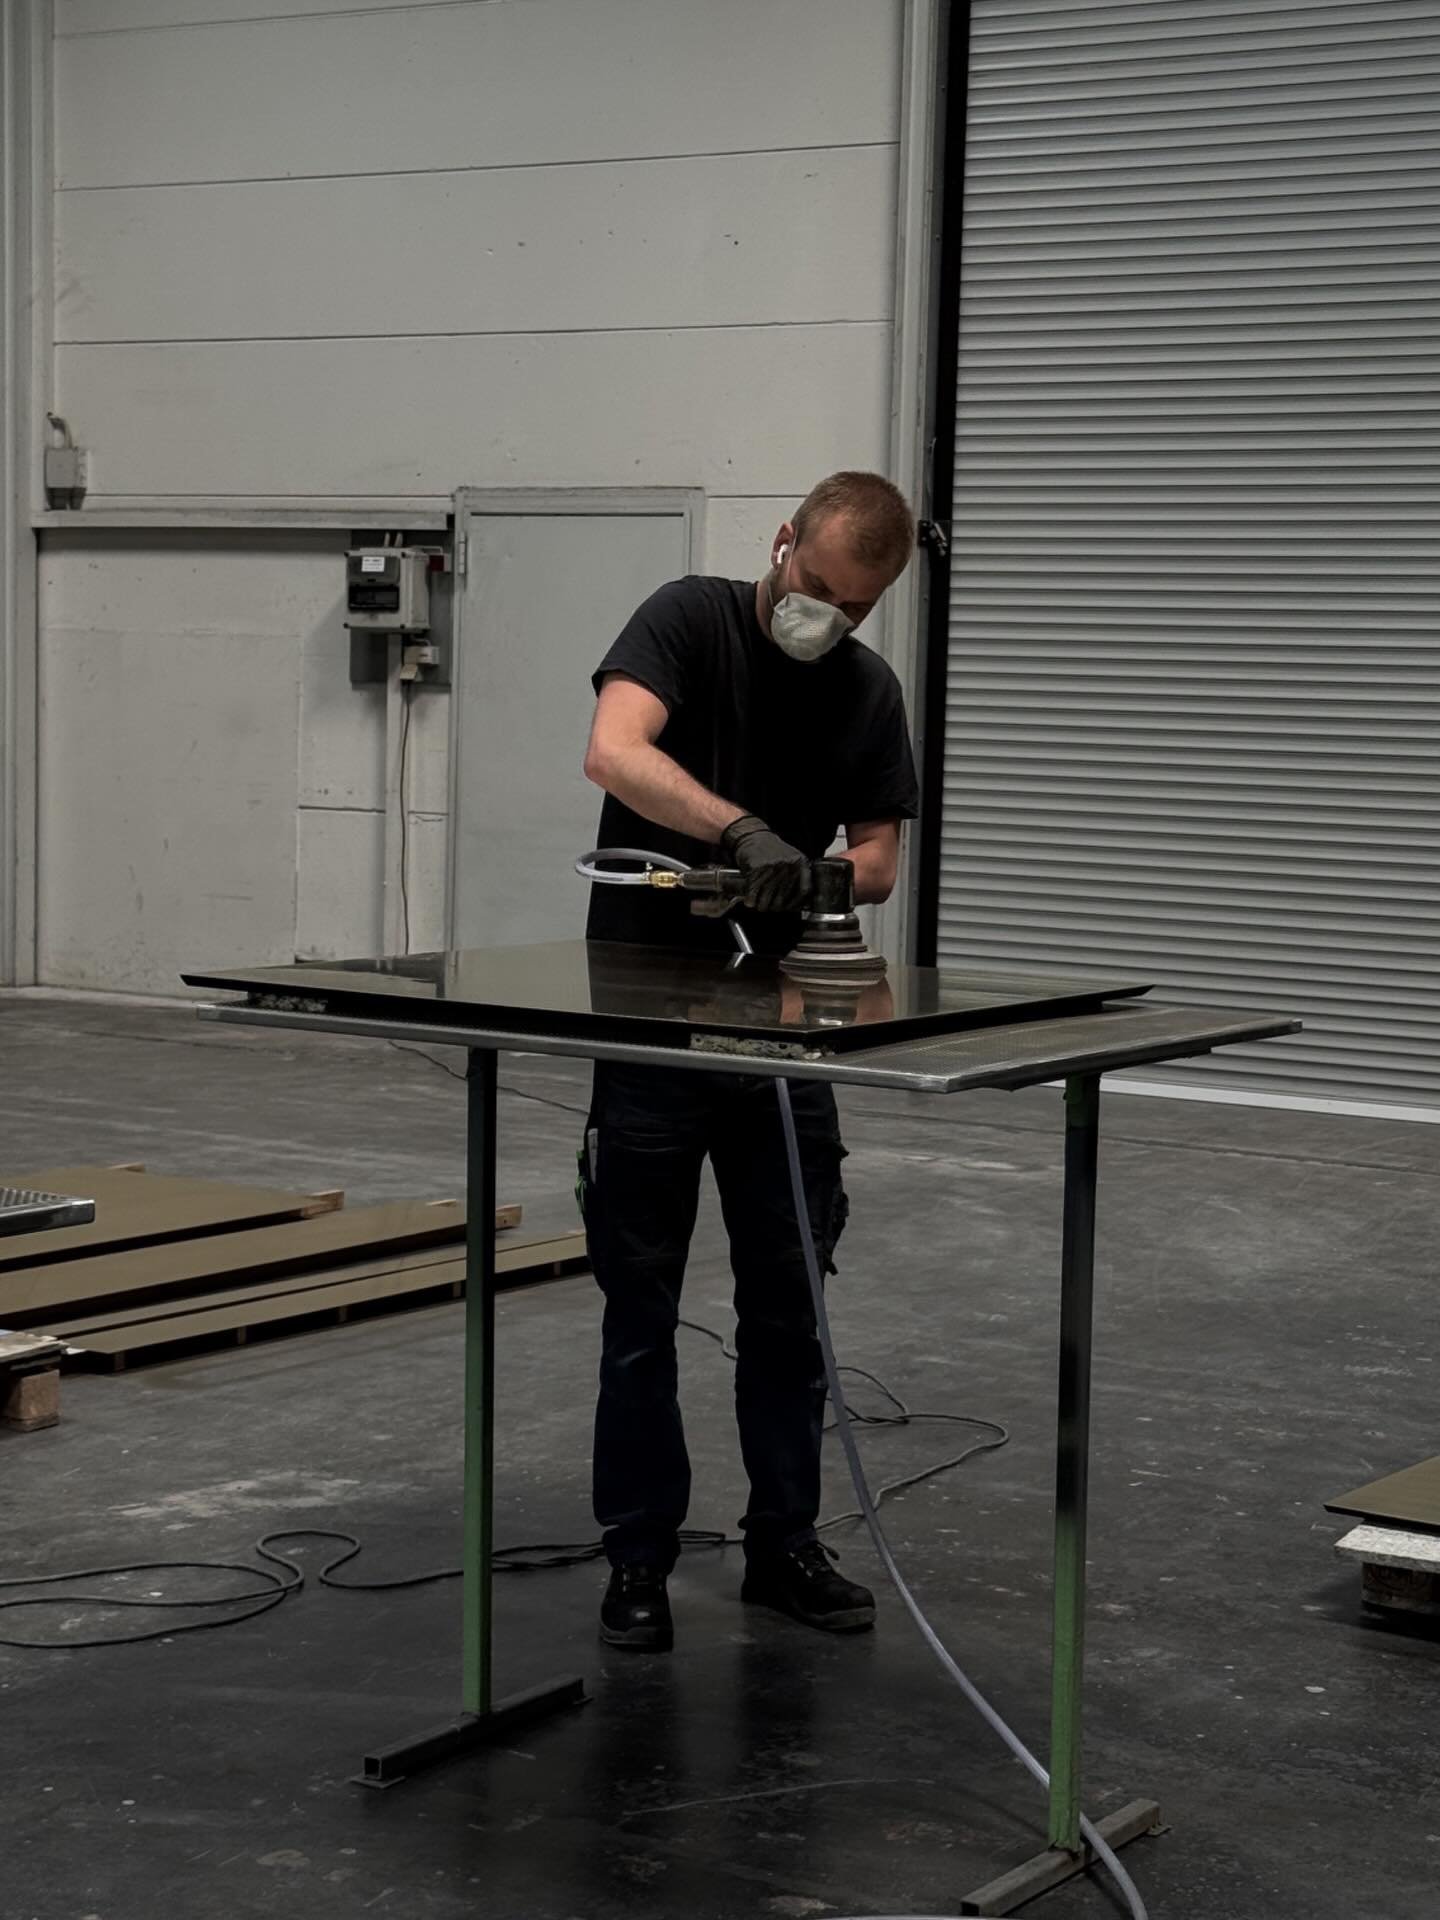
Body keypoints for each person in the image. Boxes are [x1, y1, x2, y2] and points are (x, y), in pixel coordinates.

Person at [579, 470, 920, 1650]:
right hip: (647, 1022)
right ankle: (636, 1560)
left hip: (787, 1022)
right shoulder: (687, 620)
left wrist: (822, 877)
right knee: (641, 1303)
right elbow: (615, 752)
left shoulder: (867, 693)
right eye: (818, 588)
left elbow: (879, 853)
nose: (827, 618)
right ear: (784, 545)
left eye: (855, 608)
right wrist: (737, 831)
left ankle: (785, 1542)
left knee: (789, 1300)